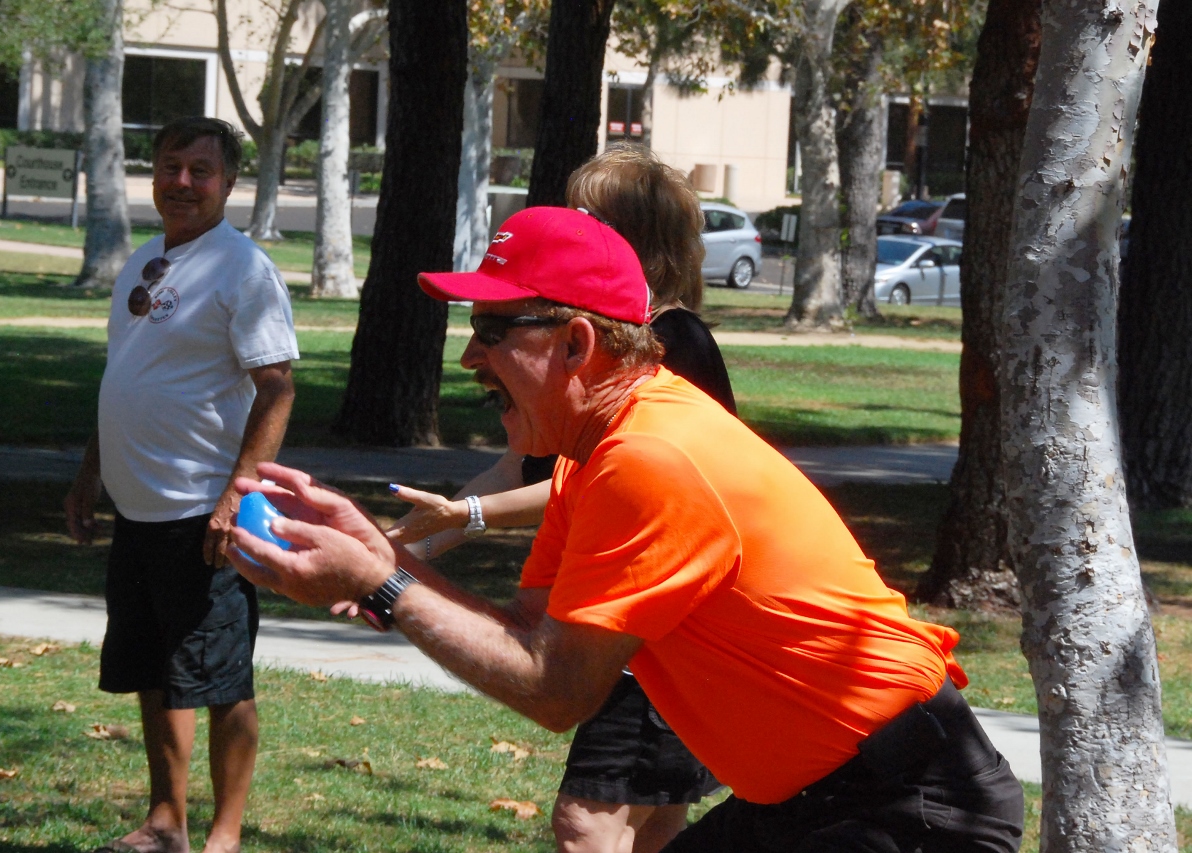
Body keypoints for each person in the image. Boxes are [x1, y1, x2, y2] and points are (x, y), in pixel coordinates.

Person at [227, 206, 1024, 852]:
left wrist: (381, 583)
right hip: (825, 795)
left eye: (493, 327)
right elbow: (530, 638)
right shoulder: (594, 455)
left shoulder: (650, 458)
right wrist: (381, 554)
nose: (470, 355)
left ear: (576, 342)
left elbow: (557, 691)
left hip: (913, 803)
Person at [385, 146, 731, 853]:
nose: (570, 221)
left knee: (589, 819)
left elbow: (608, 476)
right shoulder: (576, 363)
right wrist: (394, 552)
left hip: (651, 632)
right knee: (653, 821)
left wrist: (431, 546)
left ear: (635, 237)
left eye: (588, 214)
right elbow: (518, 469)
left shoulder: (665, 345)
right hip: (638, 631)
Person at [64, 116, 298, 853]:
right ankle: (167, 821)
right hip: (138, 510)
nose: (183, 182)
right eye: (171, 166)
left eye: (201, 170)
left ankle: (224, 835)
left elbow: (277, 387)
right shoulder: (140, 261)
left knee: (221, 677)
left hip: (204, 513)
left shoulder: (243, 268)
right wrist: (89, 473)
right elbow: (122, 378)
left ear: (228, 183)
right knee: (153, 668)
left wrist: (239, 494)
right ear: (154, 173)